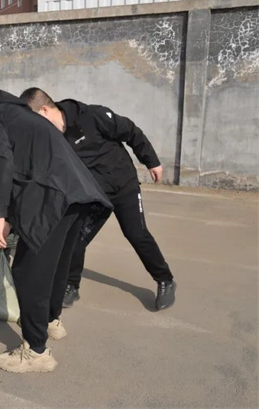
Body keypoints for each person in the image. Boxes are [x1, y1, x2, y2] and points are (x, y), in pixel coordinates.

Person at [0, 89, 111, 373]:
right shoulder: (20, 115)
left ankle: (36, 352)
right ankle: (50, 321)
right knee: (56, 265)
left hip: (53, 196)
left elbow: (2, 161)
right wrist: (9, 217)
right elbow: (23, 166)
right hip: (78, 194)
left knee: (29, 273)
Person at [20, 87, 176, 311]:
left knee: (136, 234)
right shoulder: (51, 137)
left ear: (44, 110)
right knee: (76, 238)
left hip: (123, 185)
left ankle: (165, 279)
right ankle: (71, 285)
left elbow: (131, 131)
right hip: (93, 195)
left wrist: (151, 161)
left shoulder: (91, 116)